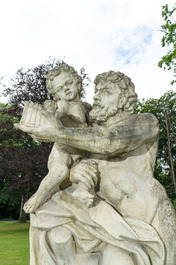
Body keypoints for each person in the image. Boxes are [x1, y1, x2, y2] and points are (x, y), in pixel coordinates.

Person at [15, 70, 176, 265]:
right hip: (109, 224)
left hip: (150, 219)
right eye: (97, 91)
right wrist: (73, 173)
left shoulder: (145, 121)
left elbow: (110, 142)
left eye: (106, 91)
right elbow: (64, 162)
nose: (97, 96)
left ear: (126, 100)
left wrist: (57, 132)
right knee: (43, 215)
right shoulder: (87, 133)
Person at [22, 64, 94, 213]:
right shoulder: (63, 106)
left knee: (90, 169)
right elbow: (55, 119)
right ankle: (38, 196)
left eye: (69, 83)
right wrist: (50, 112)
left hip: (81, 151)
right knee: (60, 171)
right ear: (56, 94)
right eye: (60, 88)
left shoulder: (86, 107)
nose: (66, 89)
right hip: (63, 151)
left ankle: (78, 192)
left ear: (77, 82)